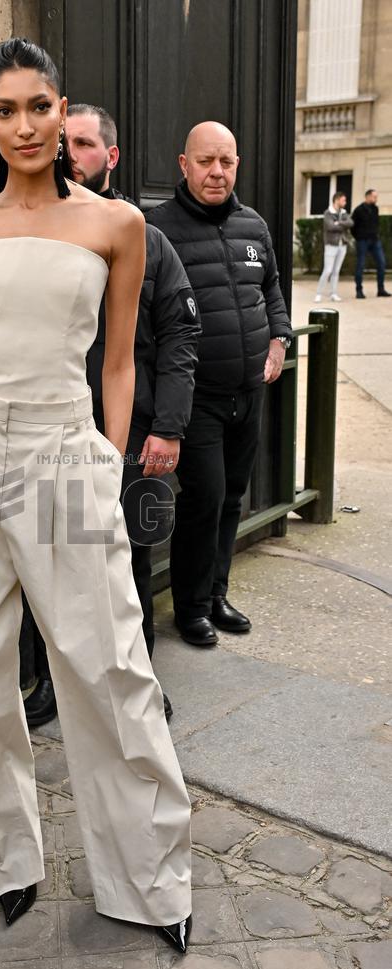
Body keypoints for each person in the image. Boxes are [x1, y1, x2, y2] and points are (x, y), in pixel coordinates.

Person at [0, 38, 192, 952]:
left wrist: (104, 462)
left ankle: (149, 882)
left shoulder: (115, 225)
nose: (26, 126)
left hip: (61, 453)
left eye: (39, 107)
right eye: (6, 111)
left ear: (61, 109)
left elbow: (118, 360)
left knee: (106, 660)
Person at [20, 102, 200, 728]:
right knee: (41, 559)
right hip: (44, 434)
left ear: (111, 157)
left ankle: (136, 683)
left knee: (127, 562)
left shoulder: (145, 240)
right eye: (64, 141)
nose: (72, 152)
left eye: (86, 144)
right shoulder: (24, 235)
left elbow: (178, 337)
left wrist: (169, 428)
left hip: (129, 439)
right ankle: (47, 681)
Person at [147, 121, 292, 646]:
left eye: (226, 162)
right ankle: (189, 608)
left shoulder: (254, 225)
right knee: (203, 499)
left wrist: (280, 337)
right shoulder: (157, 228)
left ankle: (216, 594)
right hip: (197, 396)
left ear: (237, 165)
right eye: (206, 161)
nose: (217, 172)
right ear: (183, 166)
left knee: (232, 496)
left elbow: (272, 288)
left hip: (248, 391)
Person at [352, 188, 391, 299]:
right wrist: (359, 237)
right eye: (374, 196)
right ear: (367, 196)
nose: (376, 199)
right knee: (360, 265)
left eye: (376, 197)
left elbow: (376, 223)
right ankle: (359, 290)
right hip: (362, 241)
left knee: (382, 263)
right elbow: (353, 227)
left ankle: (381, 289)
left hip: (374, 240)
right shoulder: (358, 210)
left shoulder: (375, 209)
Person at [315, 191, 353, 303]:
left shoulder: (344, 212)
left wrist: (338, 223)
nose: (345, 202)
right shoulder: (328, 213)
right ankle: (318, 294)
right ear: (336, 200)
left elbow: (350, 223)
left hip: (342, 245)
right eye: (343, 200)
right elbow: (330, 226)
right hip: (331, 245)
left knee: (336, 271)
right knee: (328, 270)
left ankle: (333, 294)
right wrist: (342, 224)